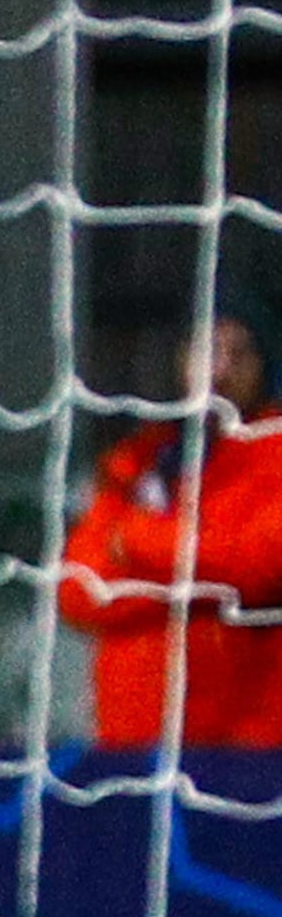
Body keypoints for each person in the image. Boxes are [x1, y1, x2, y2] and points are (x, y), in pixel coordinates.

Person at [62, 286, 282, 748]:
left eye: (238, 354)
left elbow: (257, 568)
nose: (218, 371)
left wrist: (135, 544)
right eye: (205, 351)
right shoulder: (137, 459)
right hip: (130, 747)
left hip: (247, 748)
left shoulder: (274, 454)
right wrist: (199, 580)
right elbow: (77, 592)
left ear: (266, 367)